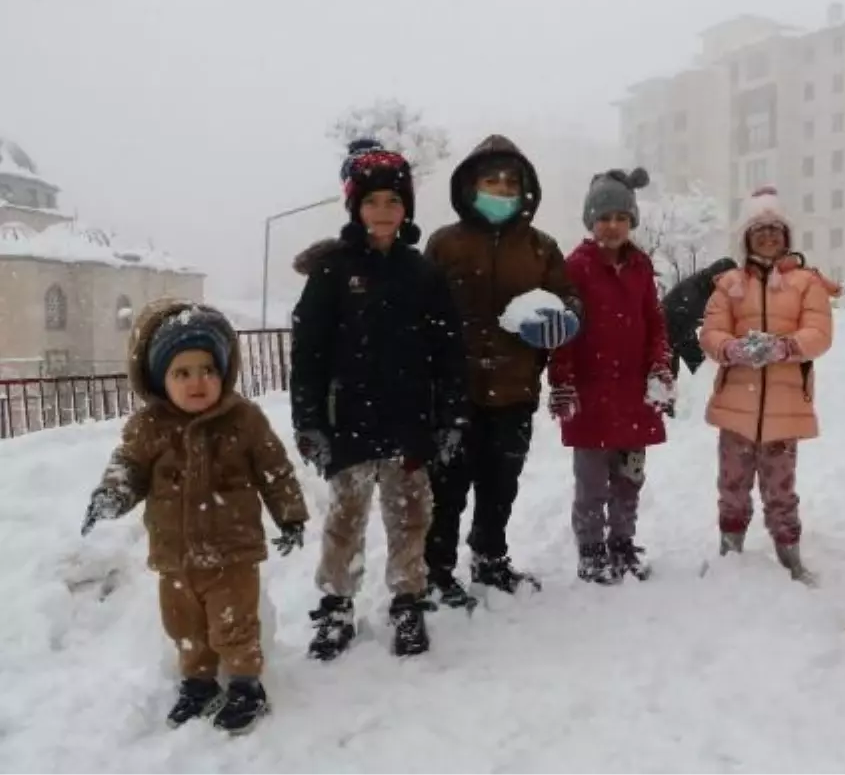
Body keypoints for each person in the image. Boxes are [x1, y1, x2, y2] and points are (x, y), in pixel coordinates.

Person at [82, 300, 308, 735]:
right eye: (181, 373)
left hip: (233, 552)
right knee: (184, 624)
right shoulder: (149, 427)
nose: (197, 382)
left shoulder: (244, 419)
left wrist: (290, 515)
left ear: (223, 371)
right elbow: (127, 465)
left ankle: (246, 685)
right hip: (175, 555)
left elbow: (274, 469)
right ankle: (198, 682)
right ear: (160, 380)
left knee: (234, 623)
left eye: (207, 369)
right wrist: (111, 494)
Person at [290, 140, 469, 660]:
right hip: (348, 420)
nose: (383, 212)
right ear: (355, 207)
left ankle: (408, 599)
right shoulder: (332, 272)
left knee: (411, 515)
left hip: (410, 420)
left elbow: (448, 349)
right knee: (345, 517)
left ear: (406, 207)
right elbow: (308, 352)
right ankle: (336, 605)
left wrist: (452, 415)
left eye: (393, 201)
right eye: (372, 202)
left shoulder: (422, 273)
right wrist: (308, 421)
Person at [422, 134, 582, 605]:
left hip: (515, 389)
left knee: (500, 484)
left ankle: (490, 559)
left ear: (525, 189)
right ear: (471, 186)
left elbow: (569, 300)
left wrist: (563, 319)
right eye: (491, 179)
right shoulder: (445, 243)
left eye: (511, 181)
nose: (501, 189)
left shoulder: (540, 247)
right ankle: (438, 570)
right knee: (446, 488)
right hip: (454, 392)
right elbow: (420, 309)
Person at [698, 186, 837, 582]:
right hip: (736, 404)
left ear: (787, 236)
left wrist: (784, 346)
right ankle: (730, 549)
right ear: (746, 237)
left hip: (784, 403)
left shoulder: (806, 283)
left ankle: (789, 553)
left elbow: (820, 333)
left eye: (776, 229)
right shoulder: (728, 284)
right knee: (732, 483)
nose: (768, 236)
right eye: (759, 229)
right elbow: (711, 334)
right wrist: (733, 349)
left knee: (781, 487)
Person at [547, 167, 672, 584]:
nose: (613, 225)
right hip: (591, 395)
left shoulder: (640, 266)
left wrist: (660, 367)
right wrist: (562, 380)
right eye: (604, 217)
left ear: (632, 220)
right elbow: (562, 330)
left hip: (635, 394)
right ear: (590, 221)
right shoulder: (575, 267)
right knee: (591, 483)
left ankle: (621, 541)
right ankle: (591, 549)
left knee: (629, 477)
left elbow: (654, 323)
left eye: (621, 217)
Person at [662, 256, 737, 377]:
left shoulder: (713, 288)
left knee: (701, 365)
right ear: (713, 274)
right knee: (667, 375)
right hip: (666, 333)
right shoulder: (694, 292)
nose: (722, 282)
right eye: (719, 278)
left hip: (684, 330)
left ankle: (701, 381)